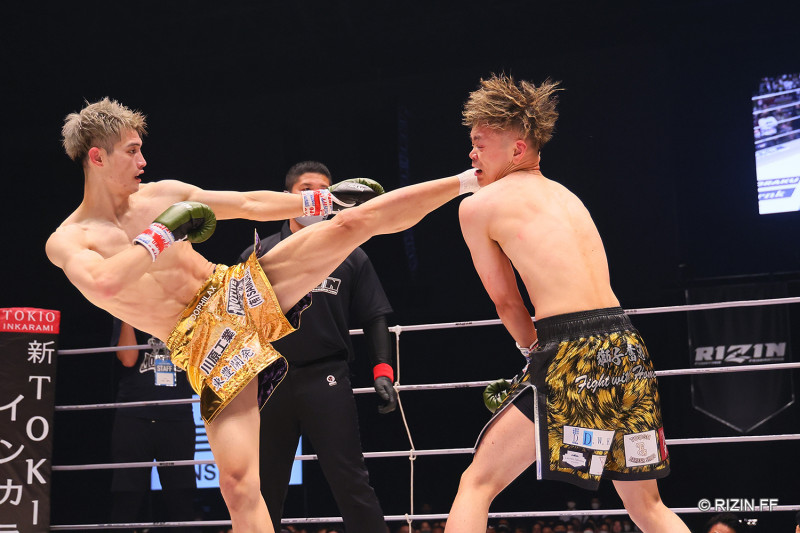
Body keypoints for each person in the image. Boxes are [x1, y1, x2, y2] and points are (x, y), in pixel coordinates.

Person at [45, 98, 479, 533]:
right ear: (97, 157)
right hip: (202, 345)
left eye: (141, 149)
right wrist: (162, 233)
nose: (143, 161)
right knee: (239, 488)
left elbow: (249, 203)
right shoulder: (69, 239)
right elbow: (104, 283)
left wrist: (323, 199)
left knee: (349, 224)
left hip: (232, 291)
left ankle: (469, 180)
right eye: (131, 151)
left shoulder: (161, 195)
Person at [445, 74, 690, 533]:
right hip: (626, 347)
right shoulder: (567, 195)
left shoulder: (478, 205)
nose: (471, 155)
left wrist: (529, 352)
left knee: (476, 483)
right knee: (647, 506)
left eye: (479, 144)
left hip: (572, 350)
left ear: (517, 149)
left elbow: (506, 302)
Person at [236, 161, 395, 532]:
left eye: (324, 190)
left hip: (327, 376)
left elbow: (375, 315)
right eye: (306, 190)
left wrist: (383, 370)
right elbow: (235, 323)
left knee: (350, 479)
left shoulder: (349, 251)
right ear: (286, 197)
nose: (316, 197)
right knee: (264, 486)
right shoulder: (258, 254)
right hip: (269, 380)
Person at [109, 318, 198, 532]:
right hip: (135, 416)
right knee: (127, 495)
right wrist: (127, 312)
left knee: (181, 497)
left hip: (177, 416)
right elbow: (128, 359)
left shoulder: (185, 312)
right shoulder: (127, 310)